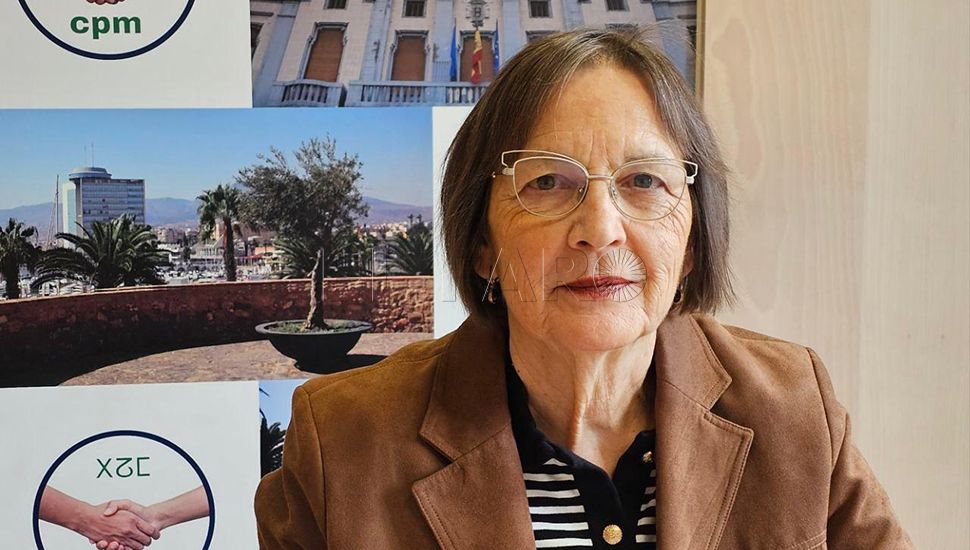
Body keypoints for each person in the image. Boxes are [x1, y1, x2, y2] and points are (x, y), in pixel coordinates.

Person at [254, 26, 913, 549]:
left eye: (644, 181)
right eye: (547, 182)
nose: (600, 229)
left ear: (691, 241)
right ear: (481, 242)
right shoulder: (342, 441)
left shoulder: (795, 409)